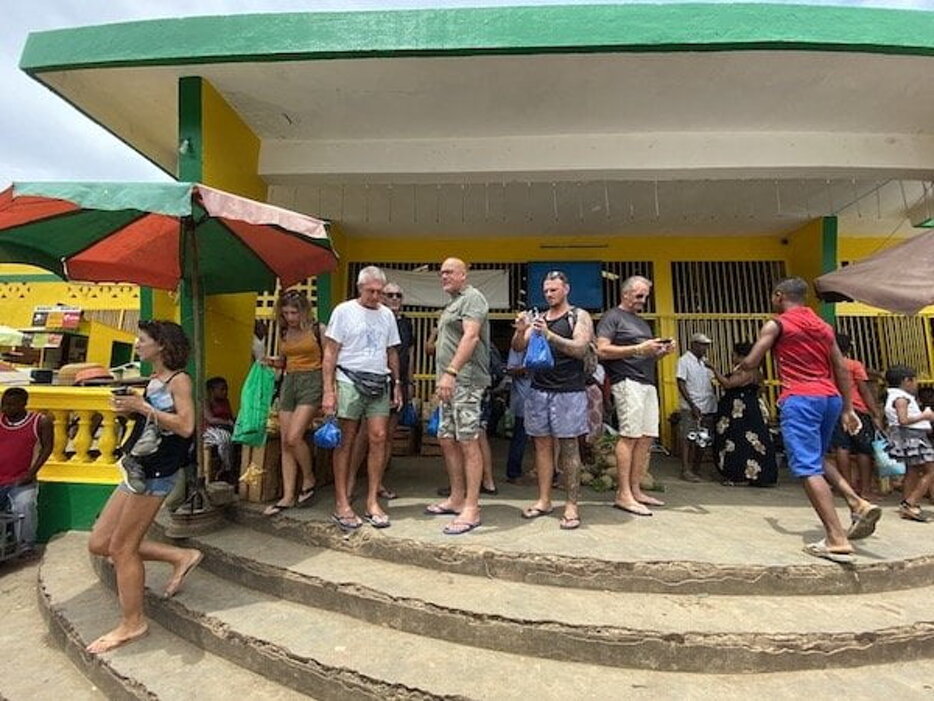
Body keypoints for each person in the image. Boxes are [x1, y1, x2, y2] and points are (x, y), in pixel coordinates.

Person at [739, 278, 881, 563]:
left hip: (800, 399)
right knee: (816, 457)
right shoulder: (823, 326)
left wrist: (740, 365)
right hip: (830, 398)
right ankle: (857, 502)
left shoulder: (777, 324)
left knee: (807, 468)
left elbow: (752, 362)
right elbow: (841, 368)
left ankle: (836, 539)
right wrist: (848, 408)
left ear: (779, 296)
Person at [86, 320, 202, 653]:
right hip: (138, 468)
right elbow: (153, 424)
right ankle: (180, 555)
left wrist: (143, 408)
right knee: (100, 542)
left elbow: (186, 426)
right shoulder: (154, 381)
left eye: (142, 340)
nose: (137, 344)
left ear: (161, 345)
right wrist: (132, 410)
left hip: (156, 474)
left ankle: (133, 623)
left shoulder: (179, 380)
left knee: (122, 549)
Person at [322, 266, 402, 530]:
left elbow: (391, 351)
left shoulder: (387, 315)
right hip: (348, 378)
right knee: (346, 440)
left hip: (379, 380)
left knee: (378, 437)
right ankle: (342, 502)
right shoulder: (343, 311)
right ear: (359, 288)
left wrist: (397, 383)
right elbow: (330, 352)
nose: (376, 296)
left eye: (380, 292)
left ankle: (371, 501)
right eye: (371, 291)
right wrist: (328, 390)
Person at [512, 270, 594, 530]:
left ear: (566, 289)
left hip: (569, 390)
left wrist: (550, 336)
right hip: (538, 389)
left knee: (569, 447)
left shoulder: (578, 316)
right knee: (541, 446)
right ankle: (544, 500)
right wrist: (520, 330)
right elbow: (518, 347)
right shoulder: (540, 318)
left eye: (554, 290)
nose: (549, 294)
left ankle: (571, 505)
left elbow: (580, 348)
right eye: (546, 290)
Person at [595, 275, 673, 517]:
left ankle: (636, 489)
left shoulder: (641, 323)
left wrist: (660, 352)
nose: (643, 300)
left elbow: (644, 355)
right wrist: (639, 348)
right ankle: (623, 493)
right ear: (625, 293)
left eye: (645, 296)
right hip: (627, 382)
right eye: (639, 295)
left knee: (646, 437)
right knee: (629, 436)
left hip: (647, 382)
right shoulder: (612, 317)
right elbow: (602, 349)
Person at [424, 258, 490, 535]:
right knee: (446, 438)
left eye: (450, 272)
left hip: (466, 380)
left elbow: (471, 337)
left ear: (464, 275)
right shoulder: (453, 303)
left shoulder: (473, 298)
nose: (444, 276)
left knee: (467, 440)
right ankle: (456, 498)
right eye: (442, 273)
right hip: (450, 384)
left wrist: (451, 372)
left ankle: (472, 508)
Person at [348, 281, 414, 501]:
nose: (394, 299)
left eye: (398, 295)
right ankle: (350, 480)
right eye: (389, 294)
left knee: (386, 437)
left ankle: (377, 484)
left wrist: (408, 383)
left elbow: (407, 354)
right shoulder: (373, 317)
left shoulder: (406, 323)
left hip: (397, 382)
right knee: (364, 434)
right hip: (373, 381)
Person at [262, 291, 324, 516]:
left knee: (294, 437)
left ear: (303, 311)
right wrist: (271, 362)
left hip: (312, 380)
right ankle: (288, 496)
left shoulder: (317, 329)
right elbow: (285, 360)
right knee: (285, 442)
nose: (290, 317)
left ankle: (308, 477)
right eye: (286, 312)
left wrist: (330, 391)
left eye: (294, 312)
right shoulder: (284, 331)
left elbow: (329, 359)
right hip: (289, 381)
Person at [708, 342, 778, 487]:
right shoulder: (755, 371)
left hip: (739, 413)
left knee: (737, 441)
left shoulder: (745, 371)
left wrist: (714, 369)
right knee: (749, 442)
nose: (732, 358)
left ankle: (739, 475)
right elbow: (761, 389)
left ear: (742, 356)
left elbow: (728, 383)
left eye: (734, 355)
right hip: (750, 410)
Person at [0, 387, 53, 558]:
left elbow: (47, 448)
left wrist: (31, 473)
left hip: (22, 480)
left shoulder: (40, 422)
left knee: (25, 505)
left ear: (23, 404)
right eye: (4, 404)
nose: (6, 409)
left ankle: (26, 545)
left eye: (11, 405)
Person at [830, 333, 882, 497]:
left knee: (841, 447)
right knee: (863, 449)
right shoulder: (854, 365)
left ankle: (846, 488)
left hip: (835, 409)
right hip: (857, 409)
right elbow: (864, 390)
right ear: (849, 349)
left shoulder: (827, 365)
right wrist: (875, 413)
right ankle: (865, 489)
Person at [883, 365, 934, 521]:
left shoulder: (894, 396)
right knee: (931, 470)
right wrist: (925, 416)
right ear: (906, 381)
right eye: (915, 380)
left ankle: (908, 503)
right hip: (912, 437)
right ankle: (910, 502)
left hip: (908, 437)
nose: (916, 384)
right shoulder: (901, 398)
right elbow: (903, 420)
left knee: (912, 470)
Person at [676, 332, 717, 482]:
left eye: (706, 346)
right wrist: (692, 404)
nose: (705, 349)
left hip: (707, 405)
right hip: (691, 406)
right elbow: (681, 383)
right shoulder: (684, 361)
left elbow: (711, 382)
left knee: (703, 439)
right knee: (688, 437)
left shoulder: (705, 362)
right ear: (694, 345)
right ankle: (685, 470)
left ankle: (696, 469)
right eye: (702, 345)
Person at [504, 346, 531, 483]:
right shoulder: (519, 343)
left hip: (544, 395)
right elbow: (510, 369)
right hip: (524, 397)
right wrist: (528, 368)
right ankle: (513, 473)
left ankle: (549, 472)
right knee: (520, 436)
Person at [203, 376, 236, 481]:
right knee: (225, 439)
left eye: (226, 389)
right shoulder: (206, 402)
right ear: (212, 391)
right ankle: (226, 470)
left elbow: (230, 417)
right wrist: (227, 422)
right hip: (210, 431)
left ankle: (231, 468)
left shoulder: (225, 402)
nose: (225, 392)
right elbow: (210, 419)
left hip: (225, 429)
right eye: (222, 389)